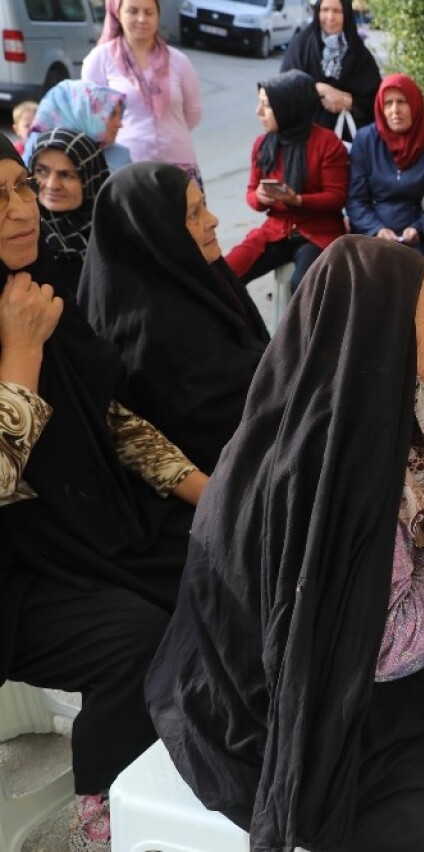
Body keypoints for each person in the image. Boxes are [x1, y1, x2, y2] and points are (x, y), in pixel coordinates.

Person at [146, 237, 424, 851]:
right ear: (382, 337)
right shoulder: (330, 473)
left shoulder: (420, 410)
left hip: (407, 683)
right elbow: (382, 646)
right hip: (313, 717)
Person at [0, 135, 207, 852]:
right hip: (15, 573)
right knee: (135, 635)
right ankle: (106, 800)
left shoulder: (45, 284)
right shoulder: (25, 316)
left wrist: (209, 494)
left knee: (216, 560)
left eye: (20, 188)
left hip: (85, 525)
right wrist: (20, 351)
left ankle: (195, 748)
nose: (19, 209)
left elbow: (109, 419)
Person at [77, 162, 270, 474]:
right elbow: (219, 421)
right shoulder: (152, 332)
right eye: (193, 215)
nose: (213, 221)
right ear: (156, 232)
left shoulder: (201, 276)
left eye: (203, 206)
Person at [226, 70, 349, 293]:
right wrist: (260, 197)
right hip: (275, 230)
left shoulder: (327, 143)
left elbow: (337, 197)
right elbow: (251, 194)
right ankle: (241, 327)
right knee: (224, 275)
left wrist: (298, 200)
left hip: (317, 233)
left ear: (288, 107)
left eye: (267, 106)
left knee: (303, 286)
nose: (258, 112)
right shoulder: (263, 145)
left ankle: (299, 329)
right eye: (259, 104)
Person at [83, 0, 203, 180]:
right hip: (124, 167)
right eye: (133, 11)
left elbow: (193, 112)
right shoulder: (100, 59)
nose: (141, 19)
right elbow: (90, 115)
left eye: (149, 12)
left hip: (178, 165)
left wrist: (168, 131)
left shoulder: (178, 61)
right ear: (118, 14)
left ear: (157, 16)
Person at [346, 74, 424, 253]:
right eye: (388, 103)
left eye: (402, 102)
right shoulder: (365, 140)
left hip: (420, 237)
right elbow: (356, 200)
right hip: (373, 234)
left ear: (414, 104)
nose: (394, 110)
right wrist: (376, 229)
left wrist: (418, 228)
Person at [280, 0, 381, 134]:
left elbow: (375, 99)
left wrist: (348, 101)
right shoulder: (302, 45)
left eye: (337, 11)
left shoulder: (359, 55)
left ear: (347, 14)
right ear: (317, 12)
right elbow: (284, 88)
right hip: (303, 138)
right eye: (325, 10)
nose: (330, 17)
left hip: (344, 141)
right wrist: (319, 89)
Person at [30, 129, 110, 284]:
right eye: (41, 171)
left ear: (91, 180)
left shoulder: (111, 230)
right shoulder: (24, 233)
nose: (52, 185)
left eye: (67, 175)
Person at [23, 80, 131, 173]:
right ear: (82, 115)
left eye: (119, 115)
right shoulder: (35, 155)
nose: (120, 124)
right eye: (111, 114)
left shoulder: (121, 159)